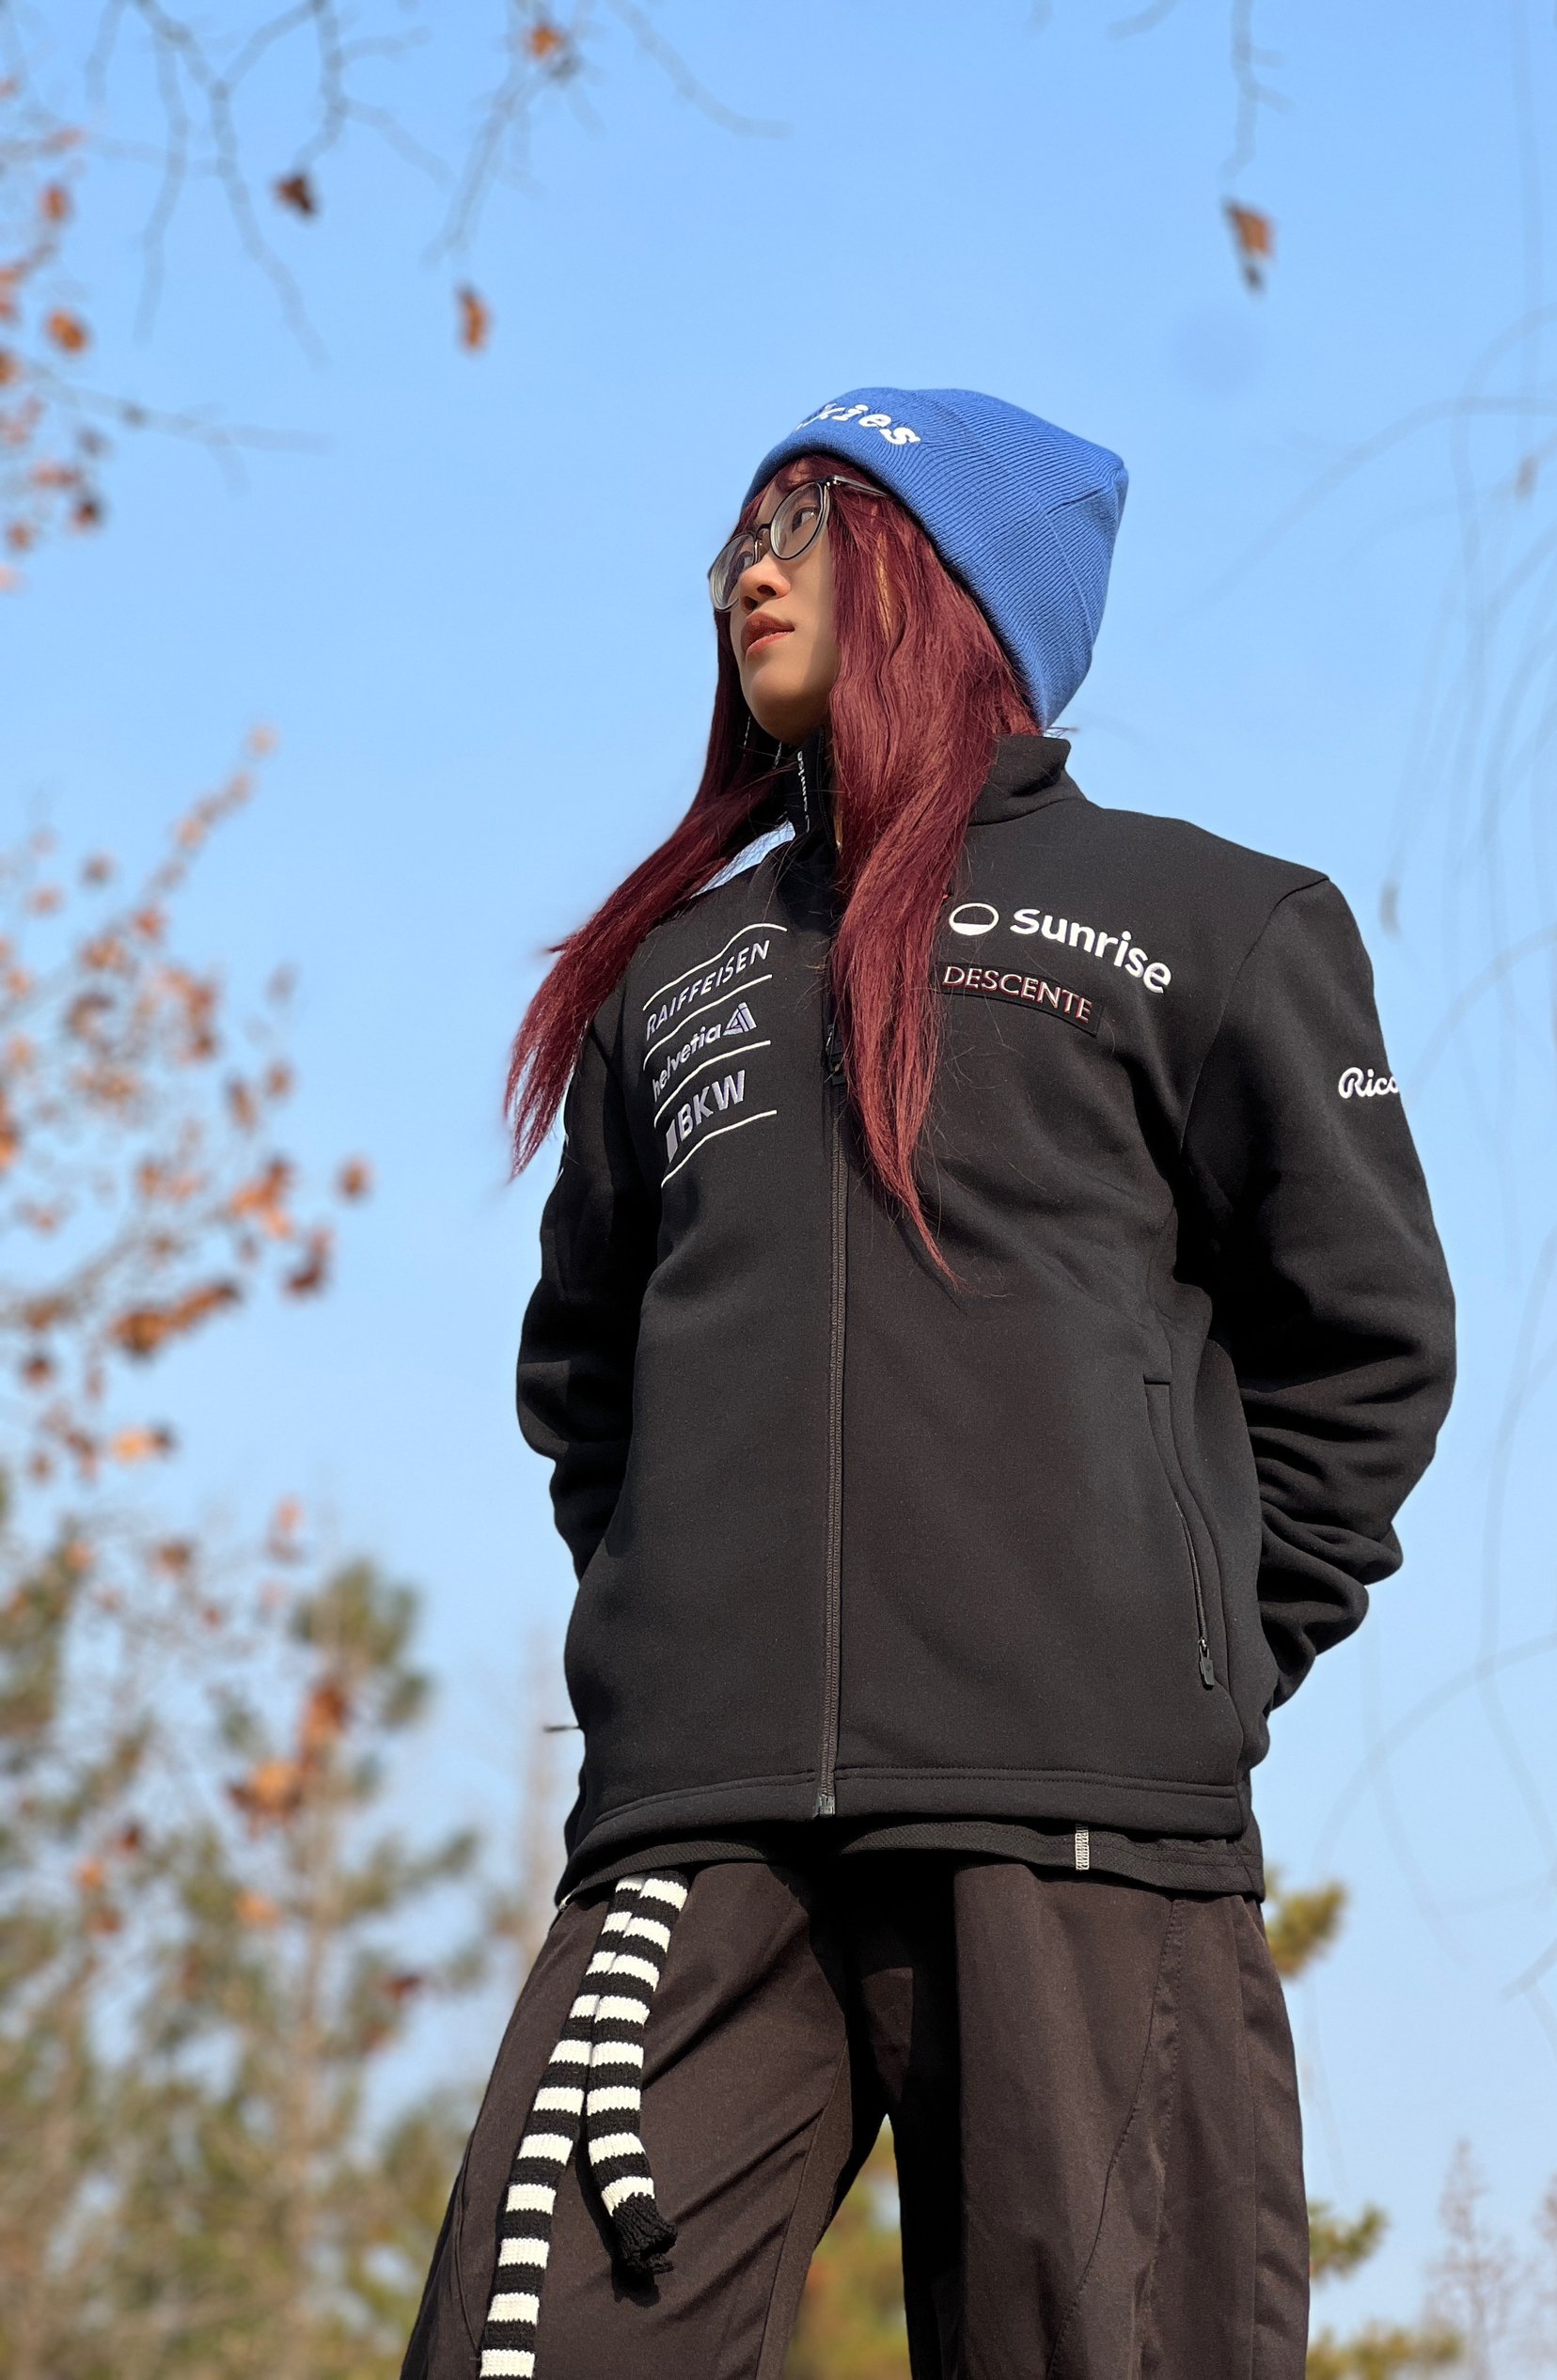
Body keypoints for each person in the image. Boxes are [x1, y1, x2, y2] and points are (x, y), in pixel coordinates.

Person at [401, 388, 1455, 2380]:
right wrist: (680, 1643)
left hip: (1080, 1835)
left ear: (951, 582)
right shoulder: (673, 981)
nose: (751, 572)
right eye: (738, 536)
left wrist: (1186, 1656)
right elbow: (587, 1386)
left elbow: (1366, 1345)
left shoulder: (1209, 924)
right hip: (698, 1840)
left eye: (807, 522)